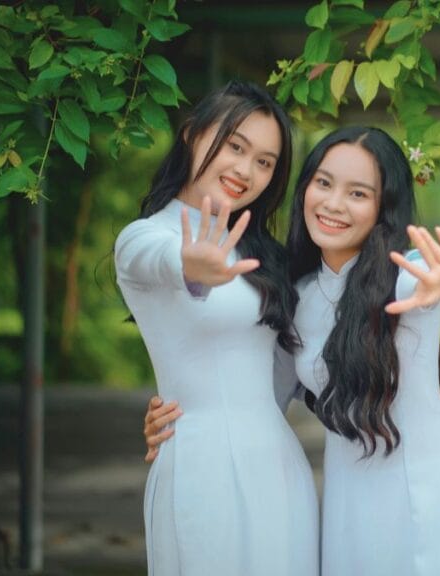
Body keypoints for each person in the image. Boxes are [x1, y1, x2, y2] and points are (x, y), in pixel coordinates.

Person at [114, 81, 318, 576]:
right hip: (202, 468)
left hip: (279, 466)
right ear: (191, 135)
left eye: (265, 162)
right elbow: (156, 261)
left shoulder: (263, 256)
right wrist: (190, 265)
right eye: (235, 146)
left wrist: (401, 398)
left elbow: (297, 371)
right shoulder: (146, 237)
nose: (246, 171)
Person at [286, 126, 440, 575]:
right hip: (348, 506)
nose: (333, 203)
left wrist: (438, 280)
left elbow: (426, 277)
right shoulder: (297, 295)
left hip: (431, 498)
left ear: (383, 208)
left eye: (358, 193)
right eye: (323, 183)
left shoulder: (403, 276)